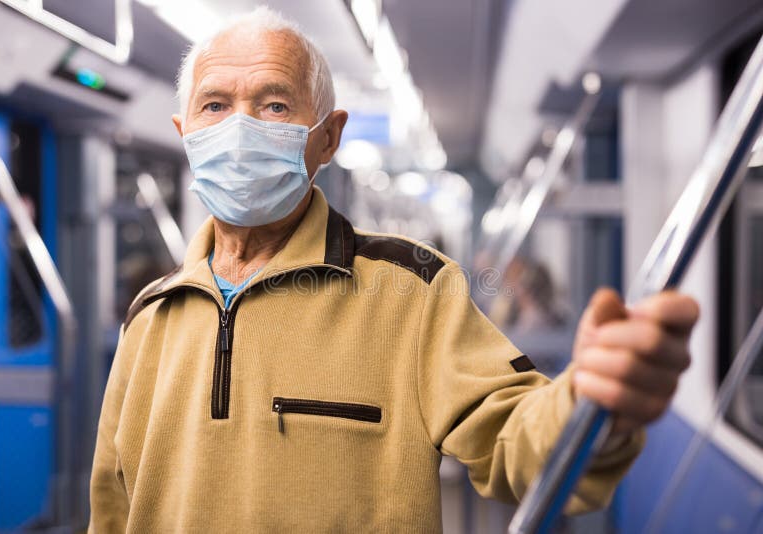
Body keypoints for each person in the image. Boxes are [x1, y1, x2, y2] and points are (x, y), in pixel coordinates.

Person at [88, 8, 699, 532]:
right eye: (214, 105)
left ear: (328, 139)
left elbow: (512, 436)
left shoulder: (411, 291)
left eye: (274, 104)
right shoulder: (151, 315)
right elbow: (112, 504)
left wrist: (590, 404)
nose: (239, 128)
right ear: (185, 133)